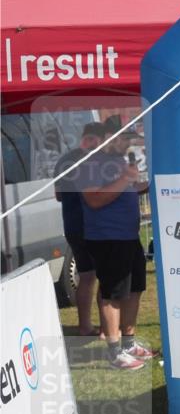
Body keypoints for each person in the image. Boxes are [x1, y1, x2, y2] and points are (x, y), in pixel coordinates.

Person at [78, 124, 155, 369]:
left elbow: (130, 189)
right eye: (125, 138)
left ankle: (129, 343)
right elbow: (94, 199)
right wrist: (125, 179)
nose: (129, 144)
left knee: (134, 289)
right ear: (108, 138)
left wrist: (152, 183)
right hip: (106, 238)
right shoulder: (90, 164)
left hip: (128, 237)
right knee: (113, 293)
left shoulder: (119, 162)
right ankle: (114, 352)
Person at [54, 122, 105, 339]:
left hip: (72, 225)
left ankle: (85, 326)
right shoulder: (97, 161)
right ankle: (106, 328)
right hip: (95, 226)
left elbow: (58, 195)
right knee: (106, 277)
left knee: (86, 277)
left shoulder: (64, 160)